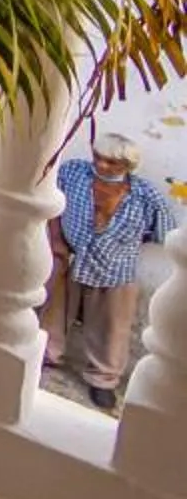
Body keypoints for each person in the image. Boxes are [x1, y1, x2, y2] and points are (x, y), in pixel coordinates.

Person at [43, 134, 180, 412]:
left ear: (127, 166)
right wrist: (57, 240)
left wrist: (121, 244)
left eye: (112, 162)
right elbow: (51, 203)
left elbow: (166, 232)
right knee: (53, 312)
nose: (102, 165)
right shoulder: (74, 173)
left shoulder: (144, 194)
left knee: (111, 327)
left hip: (115, 268)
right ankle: (46, 356)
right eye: (99, 158)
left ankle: (103, 380)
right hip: (71, 256)